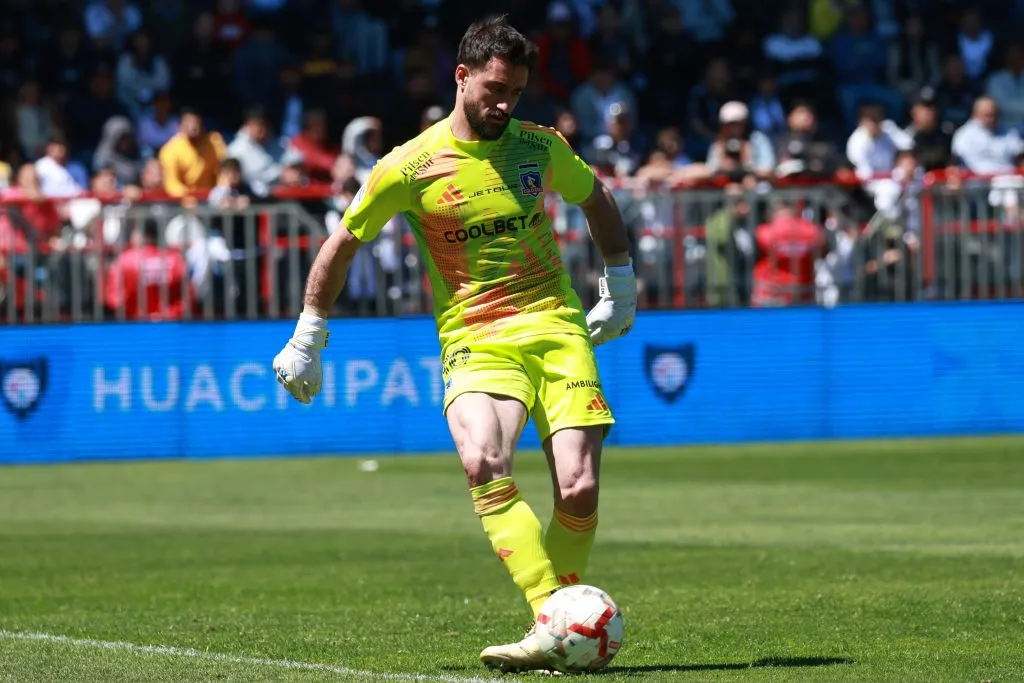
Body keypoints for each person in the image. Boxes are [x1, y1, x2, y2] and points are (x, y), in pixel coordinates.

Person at [271, 15, 636, 673]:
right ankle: (552, 615)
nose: (504, 104)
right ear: (462, 76)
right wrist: (307, 334)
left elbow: (596, 197)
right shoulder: (409, 165)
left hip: (554, 323)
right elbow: (344, 241)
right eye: (494, 88)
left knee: (578, 488)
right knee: (482, 461)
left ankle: (553, 625)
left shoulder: (539, 146)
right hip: (475, 338)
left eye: (516, 92)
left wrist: (622, 284)